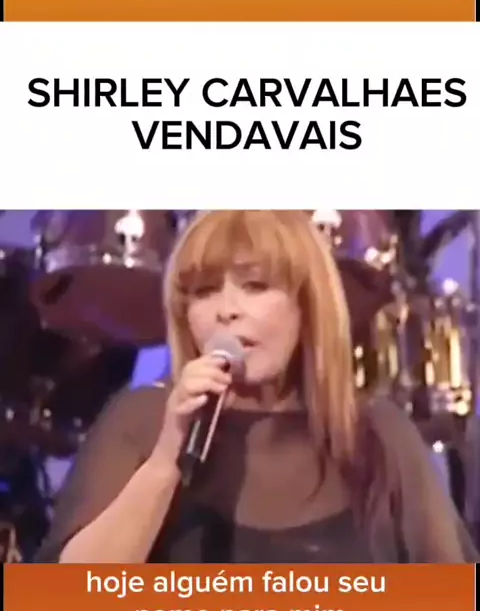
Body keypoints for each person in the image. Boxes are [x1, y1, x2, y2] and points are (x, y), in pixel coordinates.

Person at [34, 209, 479, 564]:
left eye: (255, 285)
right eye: (204, 291)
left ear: (307, 306)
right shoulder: (142, 419)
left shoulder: (377, 432)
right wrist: (165, 461)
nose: (227, 309)